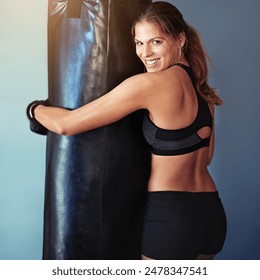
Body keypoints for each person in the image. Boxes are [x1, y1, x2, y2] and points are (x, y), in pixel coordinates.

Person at [27, 1, 227, 260]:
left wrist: (34, 110)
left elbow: (67, 124)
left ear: (179, 40)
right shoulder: (204, 91)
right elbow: (206, 157)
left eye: (156, 41)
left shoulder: (151, 84)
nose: (145, 53)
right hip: (210, 213)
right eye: (139, 43)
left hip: (171, 219)